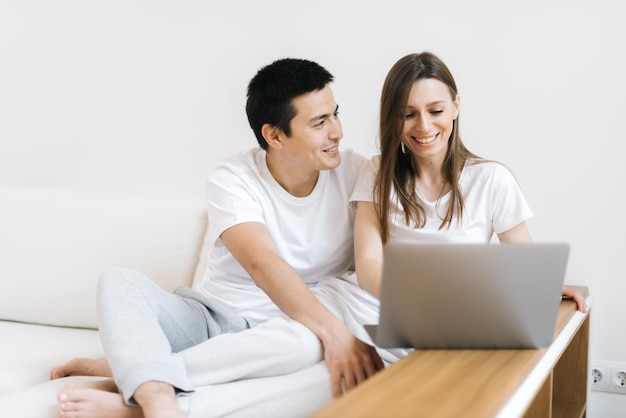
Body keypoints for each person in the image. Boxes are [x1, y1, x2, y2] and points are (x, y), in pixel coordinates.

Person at [52, 58, 390, 418]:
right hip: (215, 321)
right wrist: (333, 332)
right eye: (319, 123)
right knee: (119, 282)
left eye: (335, 115)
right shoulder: (233, 177)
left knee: (305, 353)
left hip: (289, 334)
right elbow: (262, 263)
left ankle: (132, 374)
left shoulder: (359, 173)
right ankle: (158, 401)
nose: (337, 132)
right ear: (275, 135)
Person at [350, 52, 587, 312]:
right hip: (380, 306)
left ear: (456, 106)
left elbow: (524, 264)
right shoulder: (377, 172)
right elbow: (368, 263)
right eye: (408, 115)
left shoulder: (492, 179)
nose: (424, 126)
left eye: (436, 110)